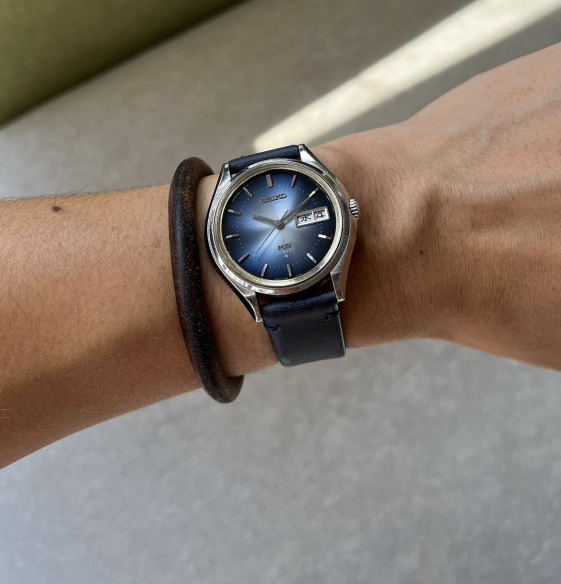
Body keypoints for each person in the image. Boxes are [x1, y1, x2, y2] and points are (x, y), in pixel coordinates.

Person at [2, 42, 561, 467]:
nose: (279, 222)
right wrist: (425, 228)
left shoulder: (319, 211)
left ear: (348, 211)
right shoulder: (253, 257)